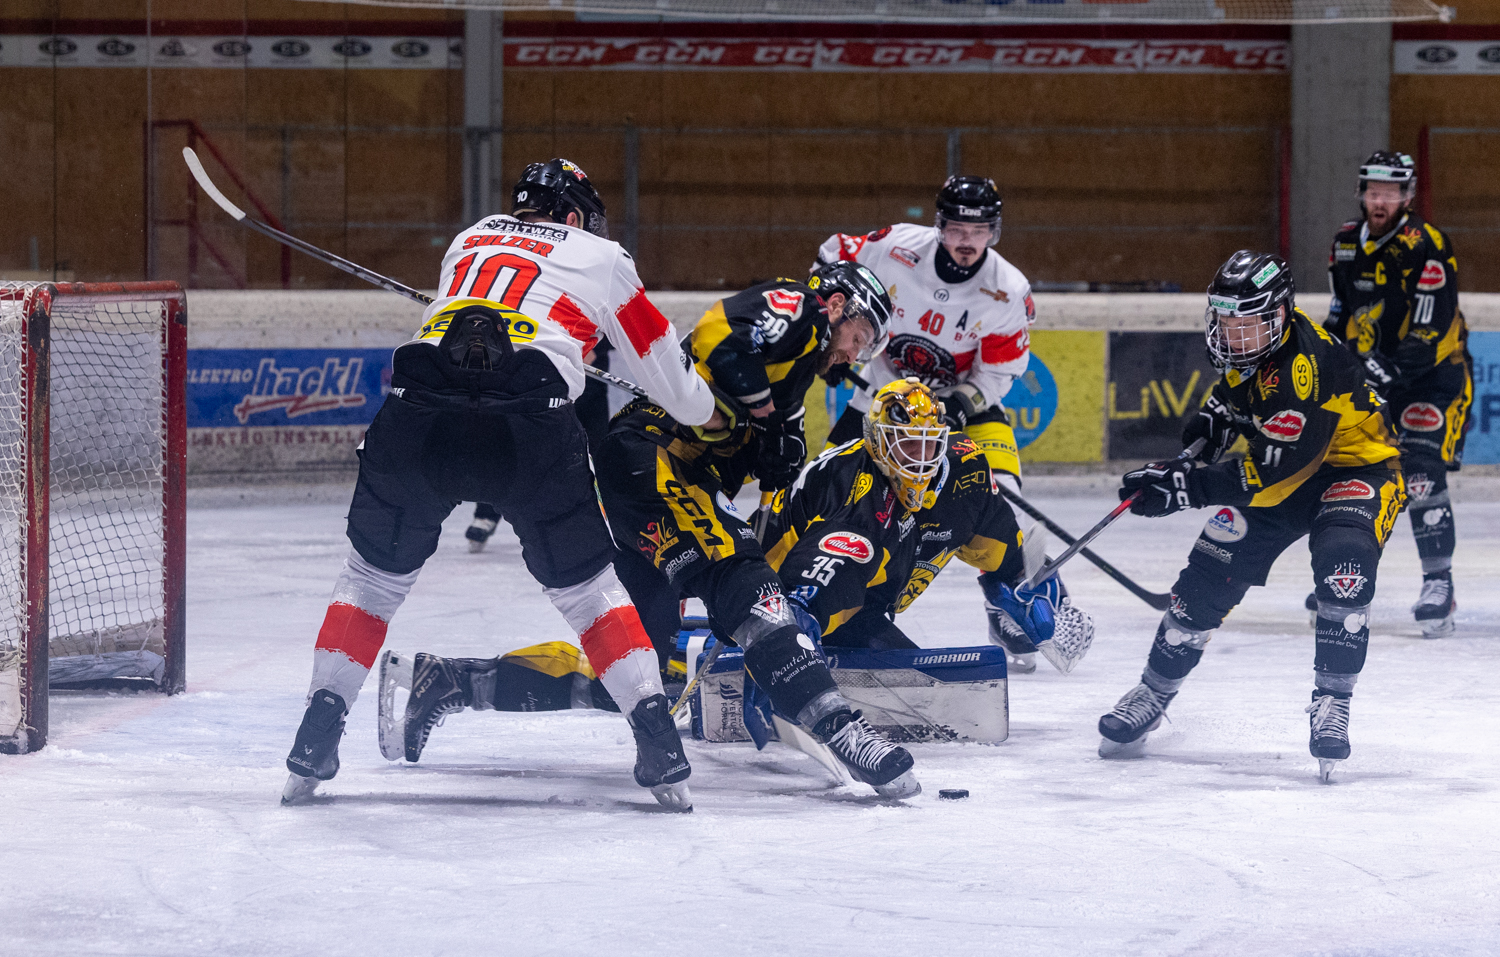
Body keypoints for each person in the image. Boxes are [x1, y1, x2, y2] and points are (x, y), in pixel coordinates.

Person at [281, 158, 718, 810]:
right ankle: (658, 742)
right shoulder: (605, 258)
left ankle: (317, 730)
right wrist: (709, 407)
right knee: (591, 593)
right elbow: (680, 395)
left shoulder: (471, 236)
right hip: (529, 420)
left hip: (419, 412)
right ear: (575, 216)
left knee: (370, 581)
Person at [399, 262, 925, 798]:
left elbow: (771, 444)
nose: (854, 353)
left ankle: (455, 681)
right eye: (859, 335)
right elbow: (719, 337)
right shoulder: (803, 309)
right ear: (836, 306)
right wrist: (766, 420)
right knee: (744, 582)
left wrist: (775, 450)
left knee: (638, 671)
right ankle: (844, 732)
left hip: (650, 474)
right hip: (655, 458)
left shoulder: (797, 369)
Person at [1098, 250, 1405, 782]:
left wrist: (1185, 487)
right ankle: (1152, 692)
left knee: (1345, 561)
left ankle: (1333, 701)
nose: (1234, 336)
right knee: (1206, 573)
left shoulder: (1301, 371)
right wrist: (1207, 430)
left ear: (1280, 314)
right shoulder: (1260, 344)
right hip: (1290, 470)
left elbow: (1271, 476)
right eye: (1225, 321)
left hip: (1358, 470)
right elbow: (1237, 400)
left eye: (1246, 324)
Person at [814, 175, 1048, 671]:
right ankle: (821, 599)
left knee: (1004, 501)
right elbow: (832, 257)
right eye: (958, 229)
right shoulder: (895, 247)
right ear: (940, 226)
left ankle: (1004, 601)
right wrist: (825, 336)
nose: (967, 241)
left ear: (994, 232)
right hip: (883, 402)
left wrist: (961, 403)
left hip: (962, 406)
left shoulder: (1007, 290)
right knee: (825, 494)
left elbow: (999, 371)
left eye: (979, 231)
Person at [763, 378, 1093, 673]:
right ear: (878, 441)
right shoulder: (853, 486)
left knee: (917, 682)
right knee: (912, 683)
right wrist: (790, 633)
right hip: (774, 594)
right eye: (908, 443)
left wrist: (1024, 583)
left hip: (863, 603)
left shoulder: (964, 473)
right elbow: (816, 586)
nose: (920, 457)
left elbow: (1000, 550)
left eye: (929, 442)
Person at [1317, 151, 1471, 638]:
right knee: (1346, 470)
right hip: (1374, 378)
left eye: (1389, 193)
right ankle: (1342, 571)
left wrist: (1383, 371)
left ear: (1407, 196)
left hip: (1433, 379)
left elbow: (1430, 328)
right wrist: (1324, 362)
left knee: (1420, 469)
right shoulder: (1345, 242)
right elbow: (1340, 315)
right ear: (1362, 193)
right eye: (1373, 191)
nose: (1379, 201)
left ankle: (1439, 584)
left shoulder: (1427, 244)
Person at [465, 339, 613, 552]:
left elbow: (619, 322)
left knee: (592, 450)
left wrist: (597, 346)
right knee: (516, 439)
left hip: (589, 374)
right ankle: (486, 513)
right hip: (540, 364)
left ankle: (596, 523)